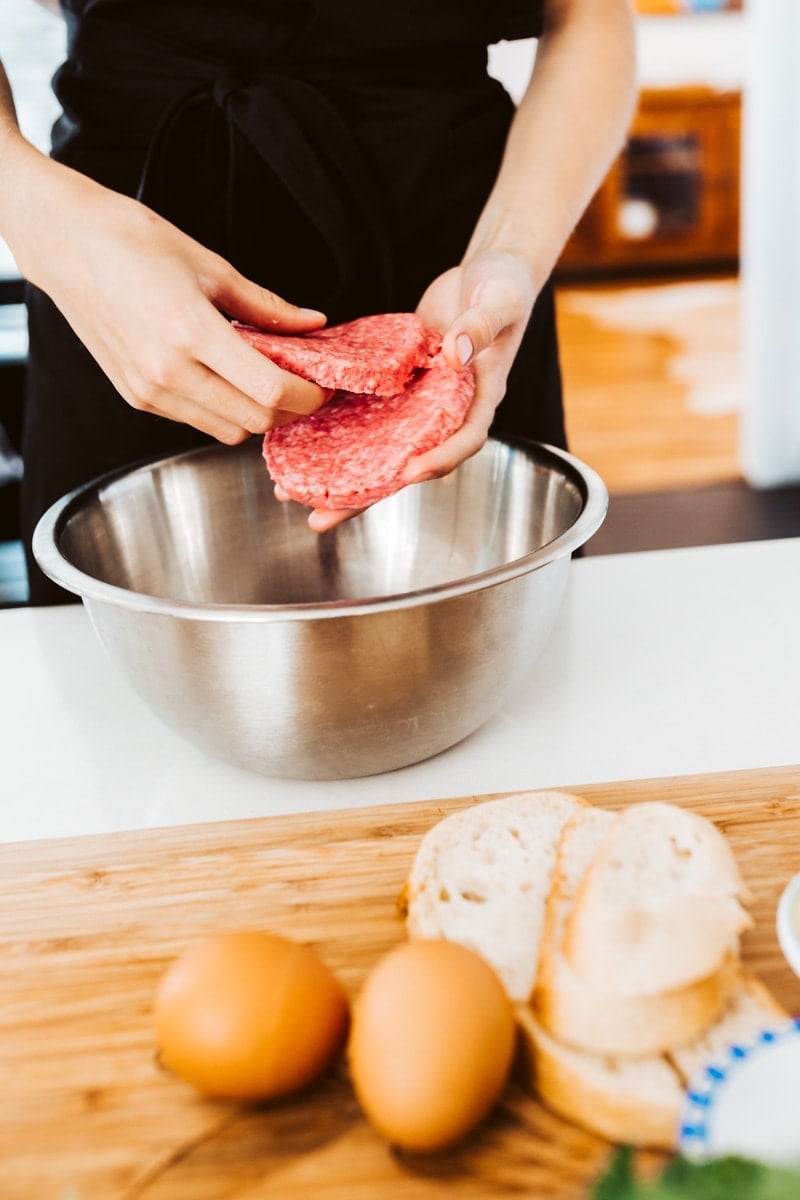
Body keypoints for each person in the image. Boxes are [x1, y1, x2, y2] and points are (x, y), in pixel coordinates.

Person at [0, 0, 637, 604]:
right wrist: (32, 214)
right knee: (102, 681)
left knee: (508, 664)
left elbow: (589, 15)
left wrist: (511, 254)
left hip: (458, 267)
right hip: (115, 261)